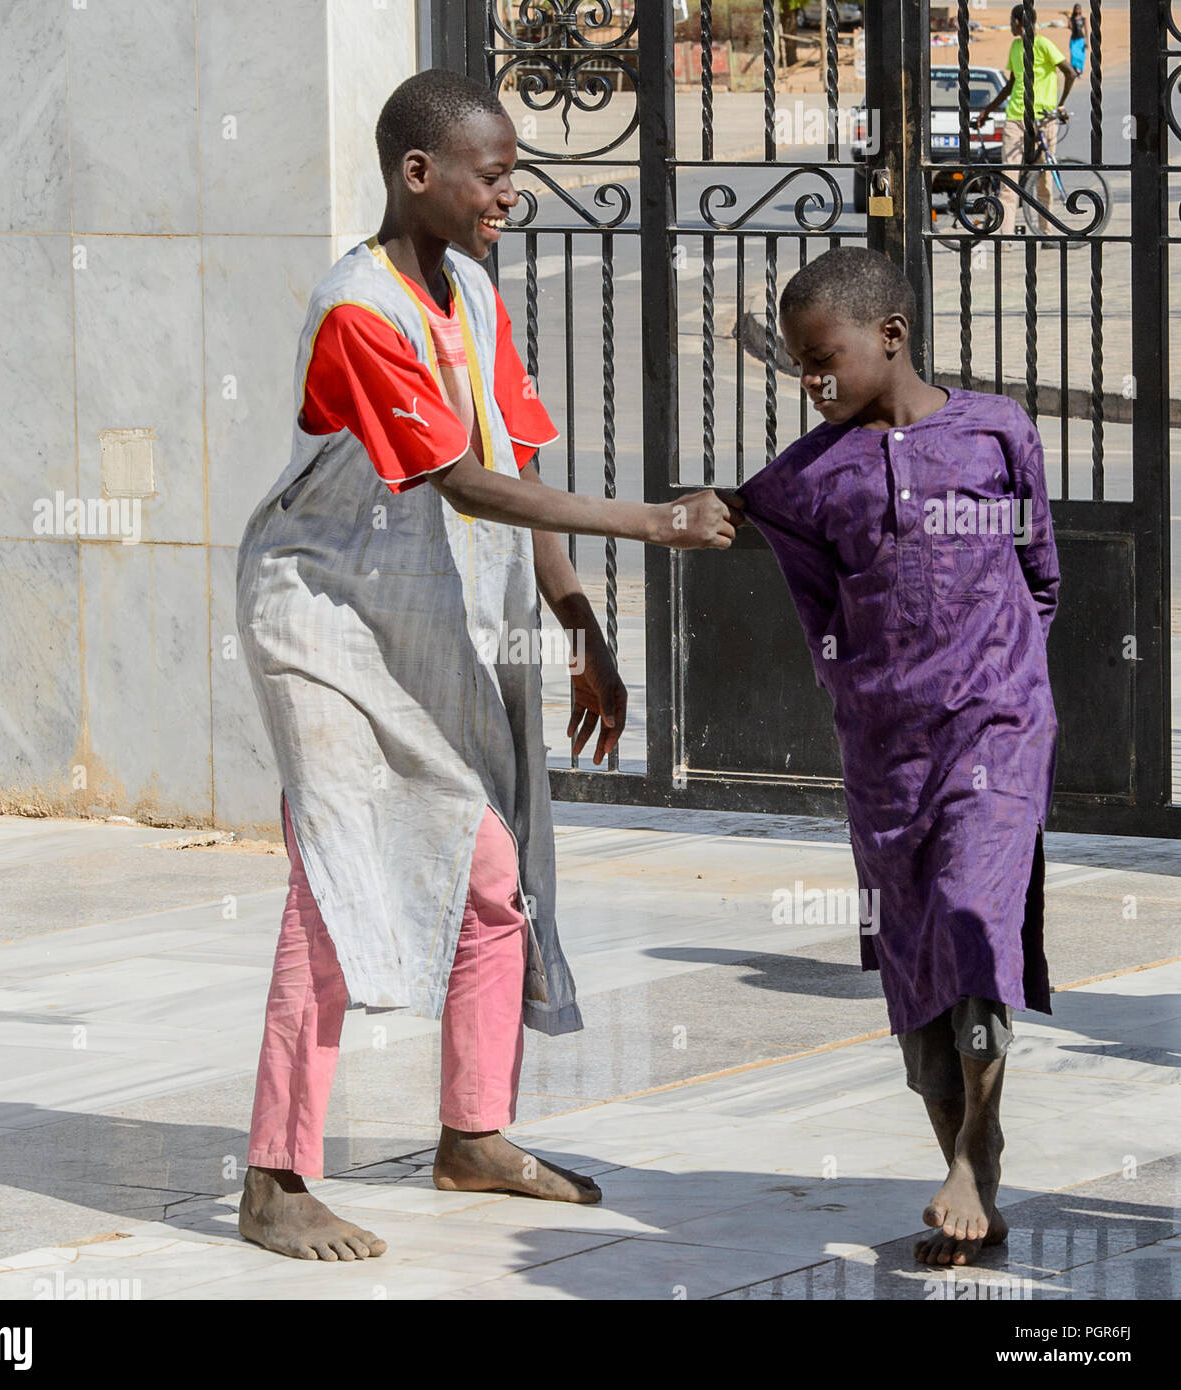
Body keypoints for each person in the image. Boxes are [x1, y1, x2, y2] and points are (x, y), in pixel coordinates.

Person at [233, 68, 743, 1263]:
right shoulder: (359, 306)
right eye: (495, 172)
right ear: (421, 174)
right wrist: (659, 523)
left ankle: (473, 1134)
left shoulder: (470, 288)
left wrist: (579, 625)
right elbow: (461, 482)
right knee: (337, 881)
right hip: (318, 620)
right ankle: (272, 1176)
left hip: (416, 619)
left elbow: (510, 457)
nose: (513, 192)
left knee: (491, 870)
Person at [737, 246, 1059, 1267]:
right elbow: (819, 621)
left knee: (973, 914)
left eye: (824, 357)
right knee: (917, 965)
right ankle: (969, 1164)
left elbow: (1038, 573)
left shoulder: (996, 432)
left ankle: (975, 1148)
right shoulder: (796, 485)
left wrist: (1002, 684)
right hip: (884, 754)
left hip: (996, 728)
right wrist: (873, 697)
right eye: (798, 367)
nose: (812, 382)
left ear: (890, 334)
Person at [975, 4, 1078, 240]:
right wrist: (988, 110)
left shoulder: (1042, 44)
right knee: (1008, 180)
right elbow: (1011, 84)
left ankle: (1046, 234)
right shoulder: (1015, 45)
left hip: (1042, 118)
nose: (1010, 25)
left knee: (1044, 178)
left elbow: (1069, 73)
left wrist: (1059, 104)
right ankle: (1007, 237)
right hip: (1015, 117)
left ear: (1018, 22)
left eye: (1011, 21)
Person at [1066, 6, 1087, 76]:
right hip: (1074, 39)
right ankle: (1074, 69)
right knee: (1074, 55)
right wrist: (1068, 17)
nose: (1077, 10)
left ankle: (1080, 69)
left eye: (1078, 9)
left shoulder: (1083, 19)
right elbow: (1070, 27)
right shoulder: (1072, 18)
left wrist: (1087, 41)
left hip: (1081, 39)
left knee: (1081, 56)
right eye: (1076, 9)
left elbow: (1086, 31)